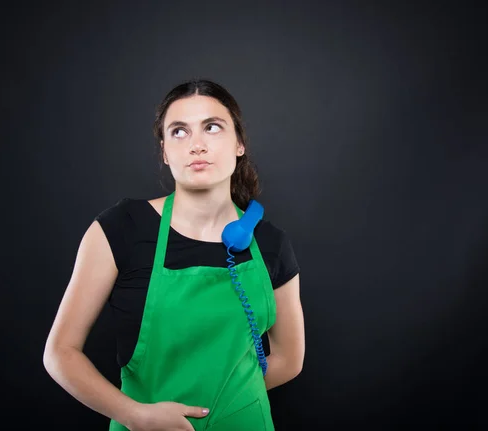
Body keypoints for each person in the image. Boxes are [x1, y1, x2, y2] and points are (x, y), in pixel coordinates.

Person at [43, 78, 305, 431]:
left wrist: (229, 399)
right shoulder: (122, 229)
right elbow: (60, 352)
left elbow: (289, 358)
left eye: (212, 127)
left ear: (239, 144)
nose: (197, 144)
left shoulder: (270, 244)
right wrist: (134, 414)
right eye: (179, 132)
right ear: (165, 151)